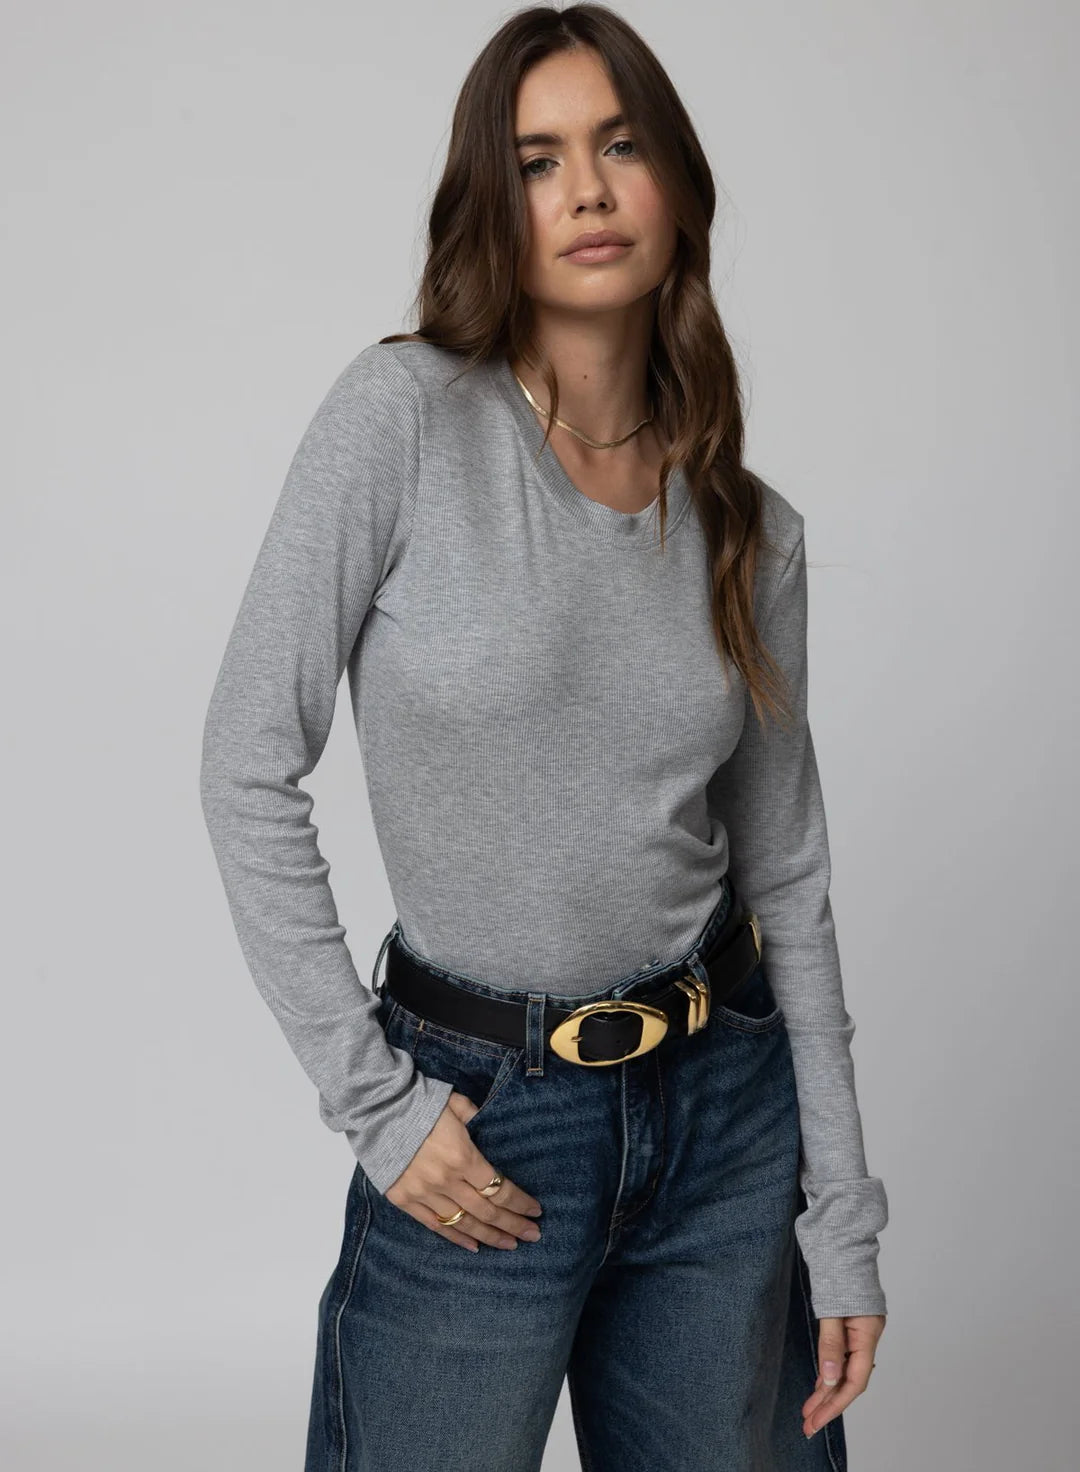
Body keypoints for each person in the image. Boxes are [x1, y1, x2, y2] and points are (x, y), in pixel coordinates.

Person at [199, 6, 889, 1468]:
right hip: (484, 1123)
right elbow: (246, 761)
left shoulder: (746, 527)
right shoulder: (399, 422)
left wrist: (842, 1216)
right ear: (491, 202)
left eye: (619, 146)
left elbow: (790, 877)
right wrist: (378, 1108)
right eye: (537, 160)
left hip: (724, 1120)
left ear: (675, 183)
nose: (584, 190)